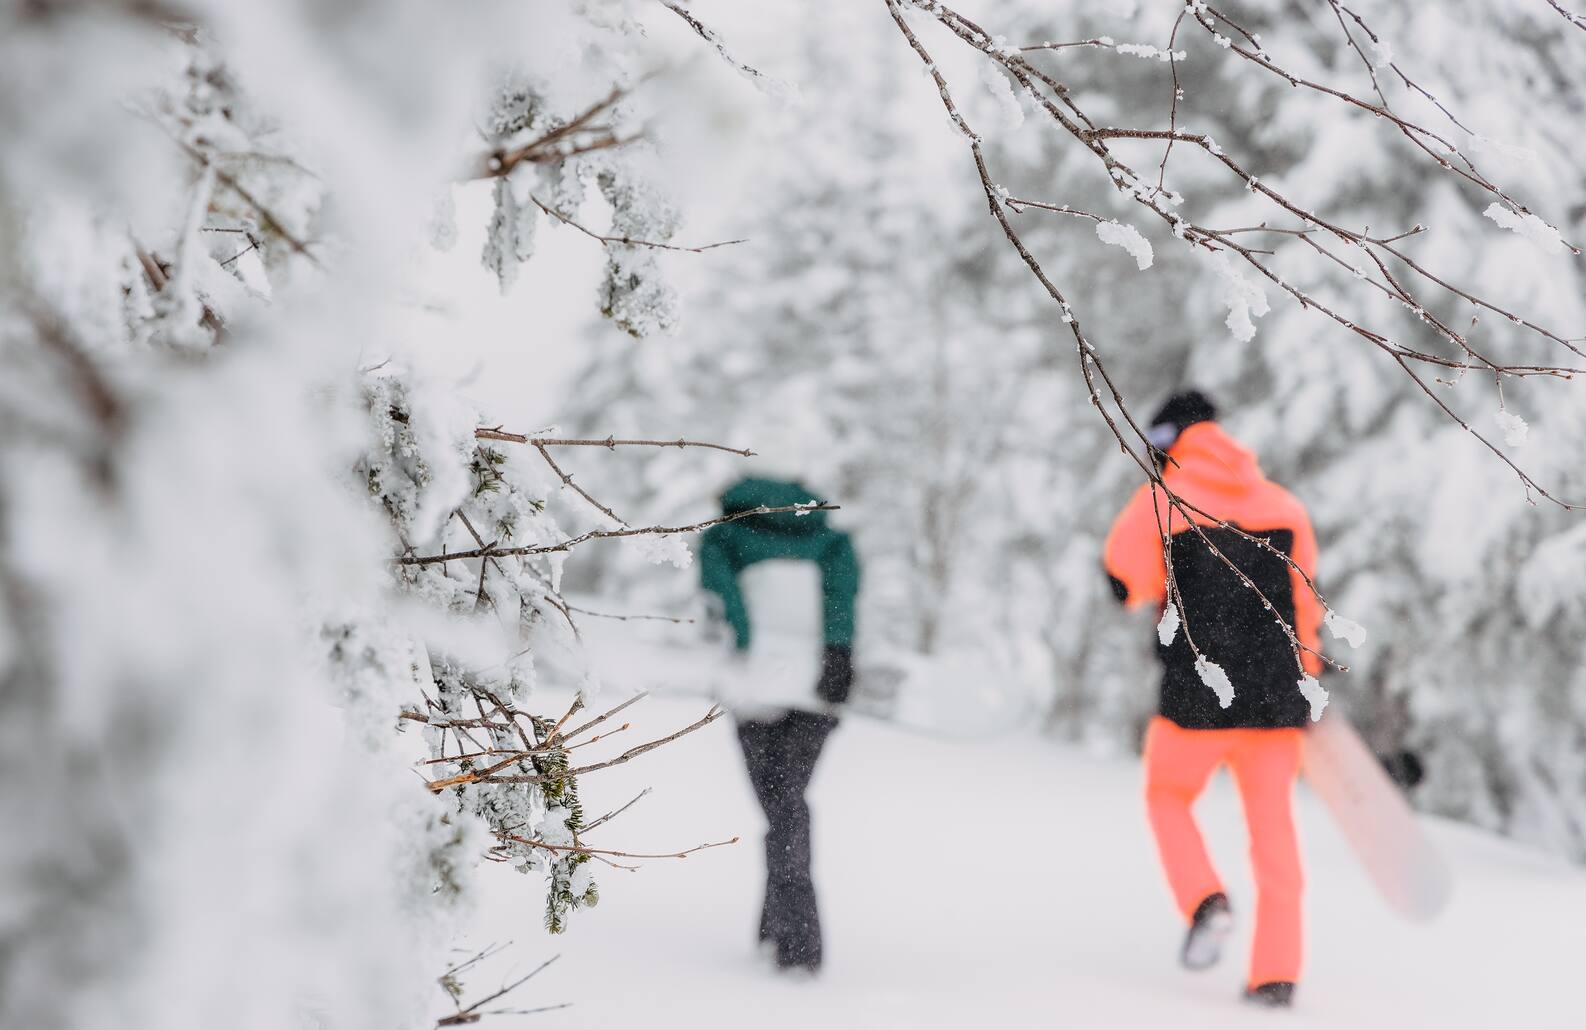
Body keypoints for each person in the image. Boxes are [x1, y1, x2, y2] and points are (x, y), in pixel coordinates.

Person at [1103, 390, 1323, 1010]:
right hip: (1276, 700)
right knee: (1274, 836)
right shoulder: (1283, 505)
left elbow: (1124, 580)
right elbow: (1307, 609)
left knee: (1167, 796)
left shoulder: (1160, 501)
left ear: (1167, 440)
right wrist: (1303, 687)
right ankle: (1275, 977)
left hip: (1195, 696)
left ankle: (1205, 900)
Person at [698, 476, 859, 975]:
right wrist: (838, 654)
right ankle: (780, 933)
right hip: (817, 692)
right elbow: (842, 600)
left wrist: (746, 654)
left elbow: (725, 607)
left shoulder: (723, 538)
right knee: (787, 804)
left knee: (782, 806)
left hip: (753, 691)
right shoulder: (831, 541)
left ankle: (799, 946)